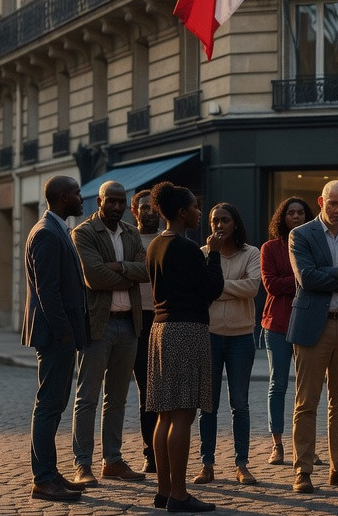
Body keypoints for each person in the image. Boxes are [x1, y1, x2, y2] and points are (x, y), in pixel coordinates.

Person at [145, 182, 225, 513]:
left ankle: (165, 491)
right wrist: (215, 253)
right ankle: (178, 494)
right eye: (194, 206)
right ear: (181, 212)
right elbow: (212, 289)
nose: (198, 211)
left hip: (160, 329)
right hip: (186, 330)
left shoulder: (154, 245)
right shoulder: (187, 247)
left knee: (166, 414)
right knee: (183, 414)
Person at [67, 180, 152, 486]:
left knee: (117, 398)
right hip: (98, 325)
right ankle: (82, 464)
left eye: (120, 201)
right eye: (110, 201)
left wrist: (116, 267)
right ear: (99, 201)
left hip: (130, 323)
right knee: (87, 398)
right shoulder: (84, 233)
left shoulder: (131, 233)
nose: (116, 206)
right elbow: (93, 277)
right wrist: (126, 272)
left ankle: (112, 461)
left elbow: (147, 271)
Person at [287, 180, 338, 493]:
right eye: (333, 204)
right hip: (312, 326)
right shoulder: (300, 234)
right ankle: (302, 470)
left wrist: (330, 274)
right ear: (321, 201)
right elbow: (307, 278)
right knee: (306, 402)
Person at [21, 175, 89, 502]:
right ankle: (44, 479)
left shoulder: (56, 228)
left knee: (54, 406)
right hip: (54, 336)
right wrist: (65, 334)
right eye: (76, 193)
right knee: (48, 407)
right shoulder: (47, 233)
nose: (81, 197)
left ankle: (50, 473)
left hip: (59, 335)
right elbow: (48, 292)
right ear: (63, 197)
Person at [194, 202, 262, 486]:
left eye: (224, 220)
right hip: (209, 335)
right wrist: (230, 287)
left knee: (240, 404)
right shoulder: (202, 254)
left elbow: (253, 287)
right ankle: (206, 464)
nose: (219, 225)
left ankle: (242, 464)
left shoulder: (251, 252)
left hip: (241, 337)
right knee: (207, 405)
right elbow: (200, 290)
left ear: (235, 224)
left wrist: (218, 287)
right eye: (214, 221)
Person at [260, 197, 313, 466]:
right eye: (290, 213)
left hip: (308, 323)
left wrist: (311, 277)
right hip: (277, 325)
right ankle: (277, 445)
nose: (295, 217)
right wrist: (306, 277)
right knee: (278, 385)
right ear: (282, 217)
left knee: (308, 389)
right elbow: (271, 285)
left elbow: (323, 279)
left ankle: (306, 446)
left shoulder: (314, 245)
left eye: (300, 213)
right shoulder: (270, 248)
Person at [130, 187, 161, 474]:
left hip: (165, 321)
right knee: (146, 393)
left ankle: (165, 451)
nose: (149, 211)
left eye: (153, 207)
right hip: (138, 323)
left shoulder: (168, 240)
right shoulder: (129, 241)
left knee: (166, 393)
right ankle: (150, 454)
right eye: (144, 206)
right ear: (134, 210)